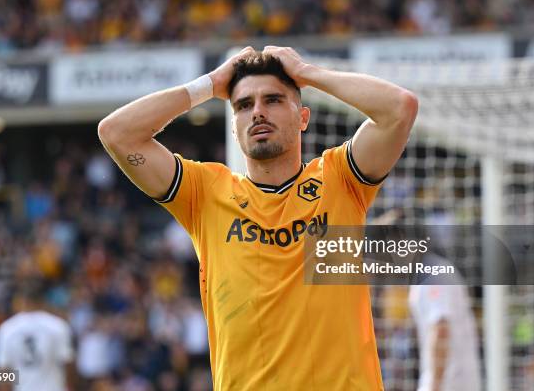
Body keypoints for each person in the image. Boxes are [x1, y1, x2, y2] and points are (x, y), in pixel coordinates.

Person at [98, 45, 418, 390]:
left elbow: (400, 109)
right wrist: (209, 84)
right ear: (234, 128)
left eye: (274, 100)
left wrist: (308, 72)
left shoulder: (339, 179)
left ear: (304, 117)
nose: (258, 113)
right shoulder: (205, 193)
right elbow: (116, 133)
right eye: (244, 105)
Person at [409, 254, 482, 391]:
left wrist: (434, 386)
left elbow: (440, 330)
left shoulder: (434, 273)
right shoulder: (426, 272)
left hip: (449, 383)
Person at [0, 286, 75, 391]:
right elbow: (68, 364)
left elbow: (2, 371)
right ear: (43, 302)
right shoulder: (57, 325)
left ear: (20, 301)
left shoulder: (7, 329)